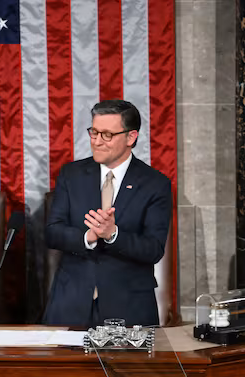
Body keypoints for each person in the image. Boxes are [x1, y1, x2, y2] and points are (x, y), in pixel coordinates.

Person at [44, 100, 172, 328]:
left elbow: (153, 249)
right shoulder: (71, 174)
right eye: (94, 132)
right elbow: (52, 233)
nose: (97, 141)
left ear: (131, 137)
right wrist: (88, 236)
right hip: (70, 304)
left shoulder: (155, 184)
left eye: (107, 135)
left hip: (128, 308)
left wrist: (113, 235)